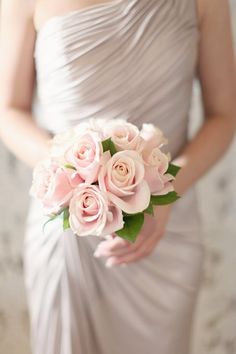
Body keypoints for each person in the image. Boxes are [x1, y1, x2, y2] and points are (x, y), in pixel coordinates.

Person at [0, 0, 236, 353]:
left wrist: (168, 190)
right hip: (68, 233)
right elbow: (8, 110)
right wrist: (74, 174)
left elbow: (225, 114)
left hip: (166, 238)